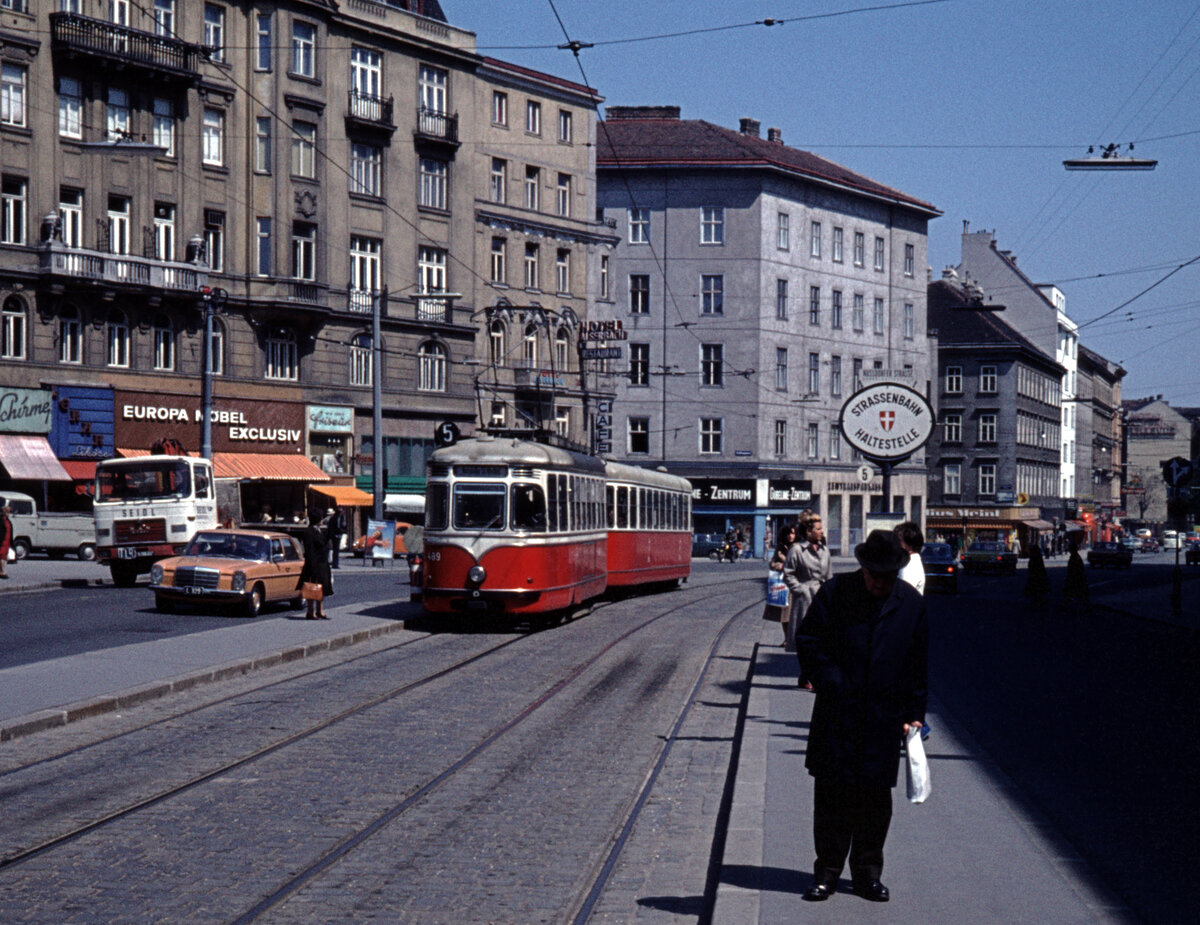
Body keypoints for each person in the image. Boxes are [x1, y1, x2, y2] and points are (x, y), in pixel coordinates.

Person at [797, 529, 928, 904]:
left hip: (884, 718)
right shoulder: (836, 593)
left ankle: (868, 875)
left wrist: (914, 713)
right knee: (832, 799)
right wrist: (832, 680)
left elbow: (918, 664)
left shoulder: (911, 604)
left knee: (874, 802)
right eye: (874, 577)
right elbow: (809, 641)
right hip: (837, 714)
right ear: (864, 568)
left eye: (887, 578)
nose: (880, 585)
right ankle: (826, 873)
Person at [784, 510, 833, 665]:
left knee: (822, 638)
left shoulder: (825, 551)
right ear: (808, 531)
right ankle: (807, 674)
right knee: (805, 638)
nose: (821, 531)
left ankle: (809, 674)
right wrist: (800, 590)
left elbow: (829, 576)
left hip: (822, 598)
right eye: (818, 529)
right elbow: (788, 574)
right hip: (804, 599)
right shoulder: (797, 550)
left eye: (821, 528)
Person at [763, 522, 797, 643]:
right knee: (783, 614)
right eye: (788, 533)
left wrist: (785, 562)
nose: (790, 536)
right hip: (783, 584)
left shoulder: (798, 547)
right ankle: (787, 638)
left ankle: (792, 638)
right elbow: (771, 563)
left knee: (793, 614)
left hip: (794, 585)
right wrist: (776, 564)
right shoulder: (781, 547)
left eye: (793, 533)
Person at [299, 509, 333, 619]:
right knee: (312, 588)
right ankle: (310, 611)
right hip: (314, 565)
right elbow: (310, 550)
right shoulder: (309, 532)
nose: (322, 521)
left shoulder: (319, 531)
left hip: (323, 564)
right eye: (320, 519)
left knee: (321, 589)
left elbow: (323, 543)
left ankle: (320, 611)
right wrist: (312, 565)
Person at [894, 521, 926, 596]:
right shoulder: (906, 562)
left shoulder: (910, 567)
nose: (895, 543)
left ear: (910, 544)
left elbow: (900, 595)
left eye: (899, 540)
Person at [1024, 542, 1050, 606]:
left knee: (1036, 589)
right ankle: (1038, 600)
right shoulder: (1037, 557)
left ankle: (1038, 600)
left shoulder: (1035, 558)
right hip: (1037, 576)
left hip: (1036, 576)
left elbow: (1035, 568)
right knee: (1037, 590)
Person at [0, 504, 11, 579]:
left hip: (7, 540)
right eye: (8, 512)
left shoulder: (8, 520)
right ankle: (2, 572)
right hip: (2, 541)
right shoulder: (1, 520)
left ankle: (2, 571)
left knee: (4, 556)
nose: (9, 513)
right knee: (2, 556)